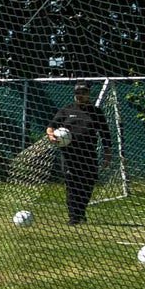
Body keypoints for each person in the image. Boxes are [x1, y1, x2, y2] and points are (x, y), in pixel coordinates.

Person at [47, 83, 112, 225]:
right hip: (70, 155)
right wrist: (51, 135)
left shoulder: (96, 112)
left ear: (89, 94)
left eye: (83, 93)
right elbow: (51, 126)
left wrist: (108, 155)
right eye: (78, 93)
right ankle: (73, 217)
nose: (80, 96)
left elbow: (105, 134)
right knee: (72, 185)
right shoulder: (66, 110)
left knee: (87, 184)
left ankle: (81, 212)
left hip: (88, 155)